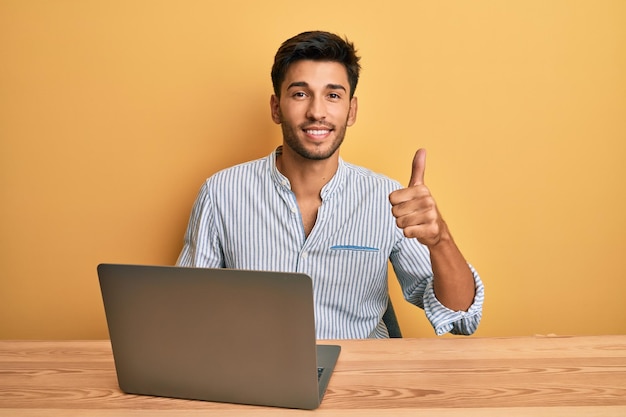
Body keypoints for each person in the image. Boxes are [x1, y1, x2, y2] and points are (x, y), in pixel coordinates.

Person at [177, 31, 484, 339]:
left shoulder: (386, 198)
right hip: (257, 376)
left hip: (362, 378)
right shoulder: (221, 193)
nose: (317, 112)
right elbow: (183, 310)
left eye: (333, 95)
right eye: (300, 94)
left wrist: (440, 240)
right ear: (275, 107)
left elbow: (461, 318)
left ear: (351, 110)